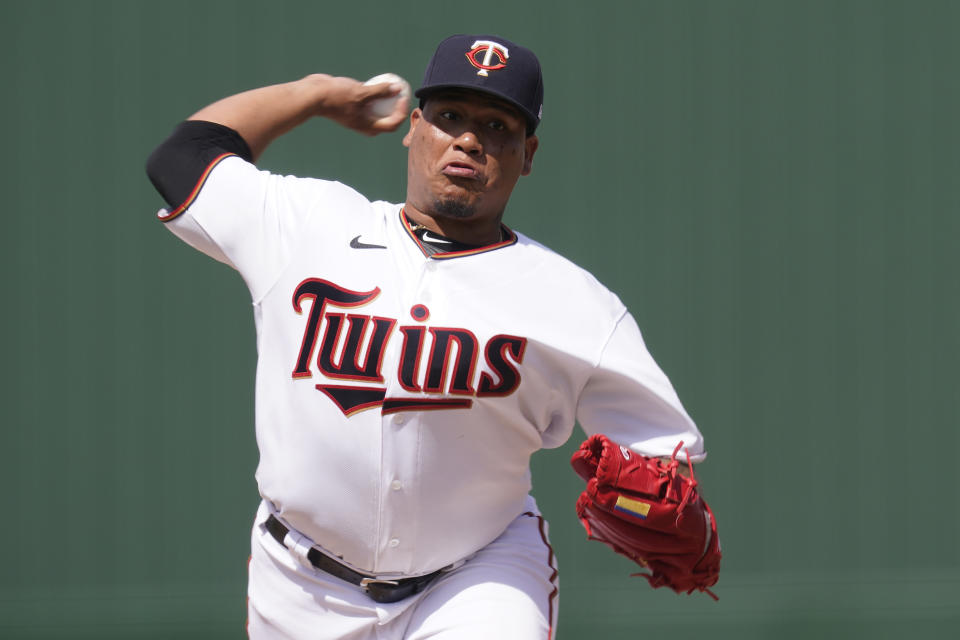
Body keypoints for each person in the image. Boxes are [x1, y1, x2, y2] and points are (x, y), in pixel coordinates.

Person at [146, 33, 709, 640]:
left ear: (528, 153)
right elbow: (182, 157)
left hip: (477, 579)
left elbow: (663, 454)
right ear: (414, 127)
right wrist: (313, 96)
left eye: (497, 125)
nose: (468, 139)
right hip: (299, 584)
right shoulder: (306, 225)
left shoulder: (575, 303)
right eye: (449, 117)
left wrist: (662, 495)